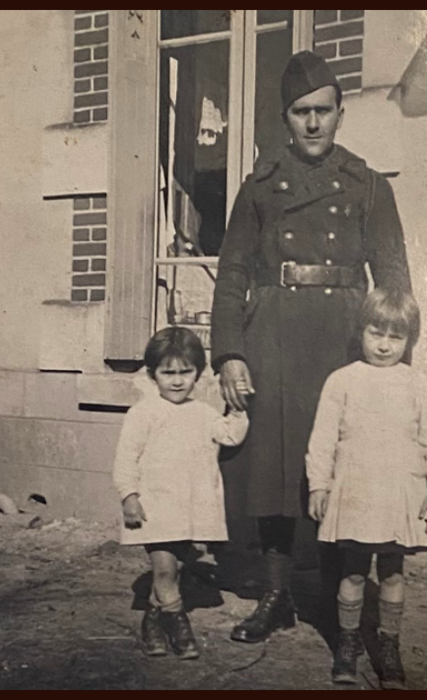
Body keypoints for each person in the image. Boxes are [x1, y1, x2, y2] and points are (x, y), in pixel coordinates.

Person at [210, 50, 413, 645]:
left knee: (344, 466)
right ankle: (276, 597)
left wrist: (398, 366)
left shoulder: (368, 185)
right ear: (285, 118)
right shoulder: (260, 186)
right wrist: (230, 353)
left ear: (341, 113)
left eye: (324, 111)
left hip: (345, 340)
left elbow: (396, 282)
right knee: (275, 467)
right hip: (271, 333)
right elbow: (232, 274)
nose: (314, 123)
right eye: (301, 113)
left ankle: (334, 598)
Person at [306, 289, 427, 689]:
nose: (384, 344)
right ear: (361, 331)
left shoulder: (417, 384)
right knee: (354, 570)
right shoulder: (342, 381)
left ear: (410, 341)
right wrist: (319, 486)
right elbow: (323, 439)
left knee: (393, 571)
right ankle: (348, 641)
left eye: (396, 337)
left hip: (398, 490)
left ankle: (388, 645)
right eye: (376, 333)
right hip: (355, 488)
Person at [112, 327, 249, 659]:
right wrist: (129, 495)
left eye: (185, 372)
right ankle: (179, 626)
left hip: (187, 508)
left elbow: (230, 436)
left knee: (174, 569)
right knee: (162, 570)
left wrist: (240, 408)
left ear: (198, 374)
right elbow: (125, 458)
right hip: (154, 506)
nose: (176, 381)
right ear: (152, 374)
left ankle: (153, 623)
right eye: (167, 372)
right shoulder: (142, 413)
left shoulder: (203, 413)